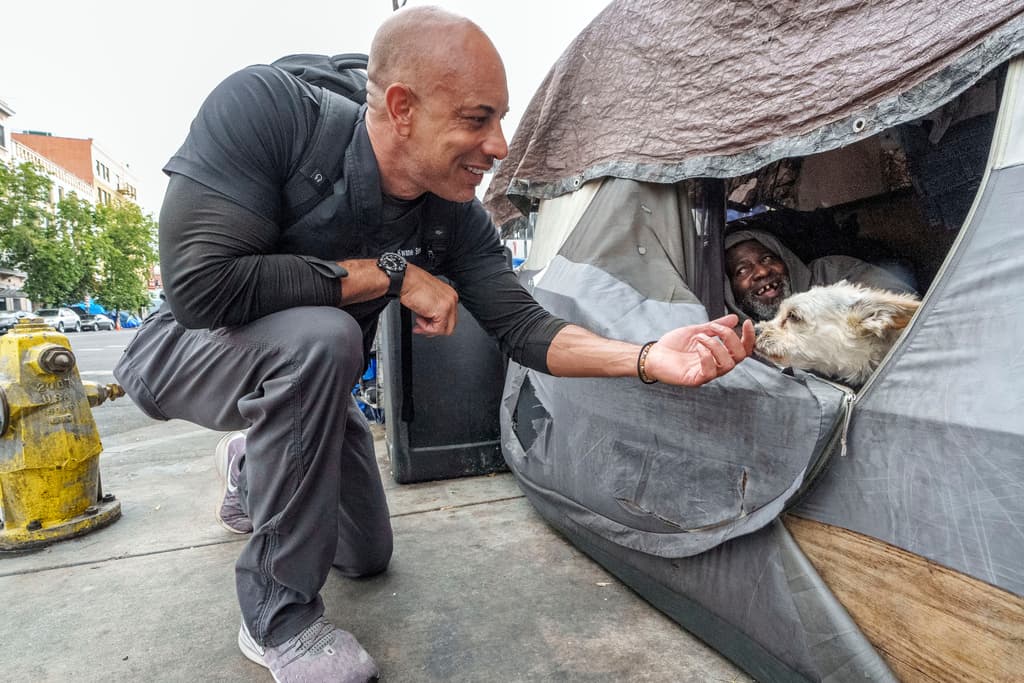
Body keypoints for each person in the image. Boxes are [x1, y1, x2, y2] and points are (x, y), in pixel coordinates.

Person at [113, 6, 755, 682]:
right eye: (479, 119)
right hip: (186, 353)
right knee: (327, 337)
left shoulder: (451, 213)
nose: (501, 145)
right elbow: (200, 287)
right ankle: (278, 616)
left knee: (366, 555)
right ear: (402, 108)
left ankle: (251, 465)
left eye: (500, 119)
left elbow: (526, 329)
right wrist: (391, 273)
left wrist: (648, 355)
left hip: (310, 385)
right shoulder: (269, 110)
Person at [725, 228, 918, 322]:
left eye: (767, 258)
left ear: (785, 259)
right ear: (730, 290)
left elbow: (897, 302)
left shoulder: (831, 272)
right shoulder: (746, 344)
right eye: (742, 270)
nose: (762, 271)